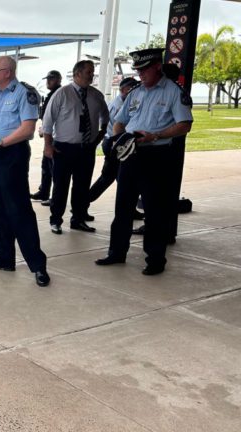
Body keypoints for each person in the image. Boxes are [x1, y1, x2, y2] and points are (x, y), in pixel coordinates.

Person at [95, 48, 193, 276]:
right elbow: (120, 120)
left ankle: (155, 259)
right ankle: (117, 252)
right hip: (130, 155)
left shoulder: (173, 92)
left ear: (157, 66)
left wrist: (156, 136)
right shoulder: (136, 92)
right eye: (137, 70)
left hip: (156, 157)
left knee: (154, 211)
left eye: (144, 69)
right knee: (123, 207)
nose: (140, 74)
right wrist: (119, 137)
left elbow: (185, 124)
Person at [0, 55, 50, 287]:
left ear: (7, 72)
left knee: (19, 210)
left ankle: (38, 265)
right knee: (0, 209)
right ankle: (4, 258)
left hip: (12, 155)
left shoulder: (23, 93)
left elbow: (28, 129)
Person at [42, 60, 108, 235]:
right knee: (61, 186)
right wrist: (47, 146)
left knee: (82, 185)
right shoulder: (62, 94)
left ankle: (78, 219)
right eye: (88, 72)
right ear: (77, 73)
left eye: (92, 72)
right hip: (63, 148)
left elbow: (105, 118)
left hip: (86, 148)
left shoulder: (96, 95)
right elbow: (48, 122)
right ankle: (56, 220)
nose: (91, 76)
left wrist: (99, 137)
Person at [88, 77, 140, 204]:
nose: (135, 92)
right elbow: (121, 126)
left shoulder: (118, 102)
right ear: (123, 90)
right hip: (116, 143)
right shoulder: (120, 106)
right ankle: (82, 204)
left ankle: (82, 204)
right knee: (113, 178)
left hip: (112, 141)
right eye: (131, 89)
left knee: (117, 178)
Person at [31, 70, 62, 206]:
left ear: (59, 80)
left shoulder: (59, 94)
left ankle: (55, 197)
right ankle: (44, 191)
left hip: (56, 136)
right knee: (46, 166)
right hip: (49, 134)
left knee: (55, 169)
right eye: (48, 79)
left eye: (52, 79)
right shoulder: (50, 95)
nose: (48, 81)